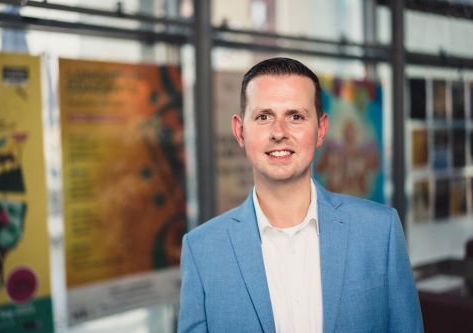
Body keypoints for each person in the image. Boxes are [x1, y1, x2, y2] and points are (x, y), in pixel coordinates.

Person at [178, 57, 423, 333]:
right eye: (263, 117)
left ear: (321, 130)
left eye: (295, 116)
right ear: (240, 131)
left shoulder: (380, 232)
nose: (279, 132)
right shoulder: (201, 251)